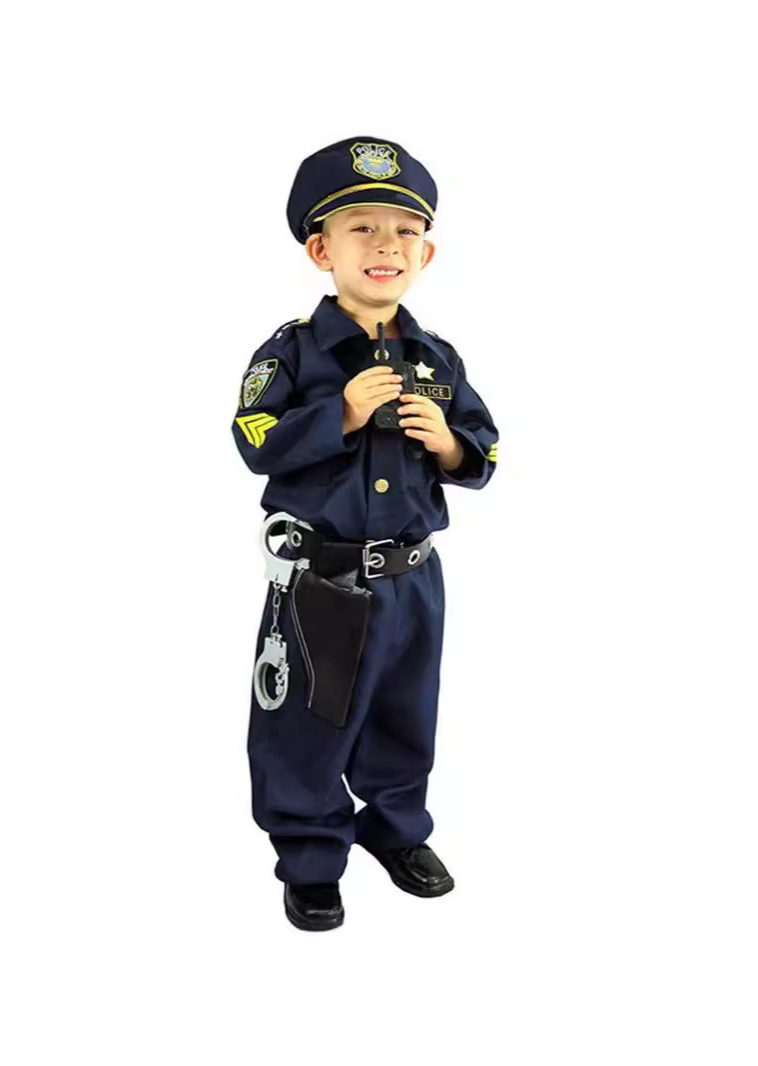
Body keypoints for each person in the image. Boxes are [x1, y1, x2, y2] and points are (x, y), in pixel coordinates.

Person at [231, 136, 499, 931]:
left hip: (414, 578)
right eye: (362, 229)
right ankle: (311, 856)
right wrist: (339, 415)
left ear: (427, 253)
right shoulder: (291, 352)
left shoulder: (437, 358)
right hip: (322, 577)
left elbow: (485, 448)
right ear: (322, 251)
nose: (387, 246)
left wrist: (448, 444)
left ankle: (396, 829)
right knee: (308, 722)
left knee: (404, 713)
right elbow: (252, 437)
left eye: (405, 231)